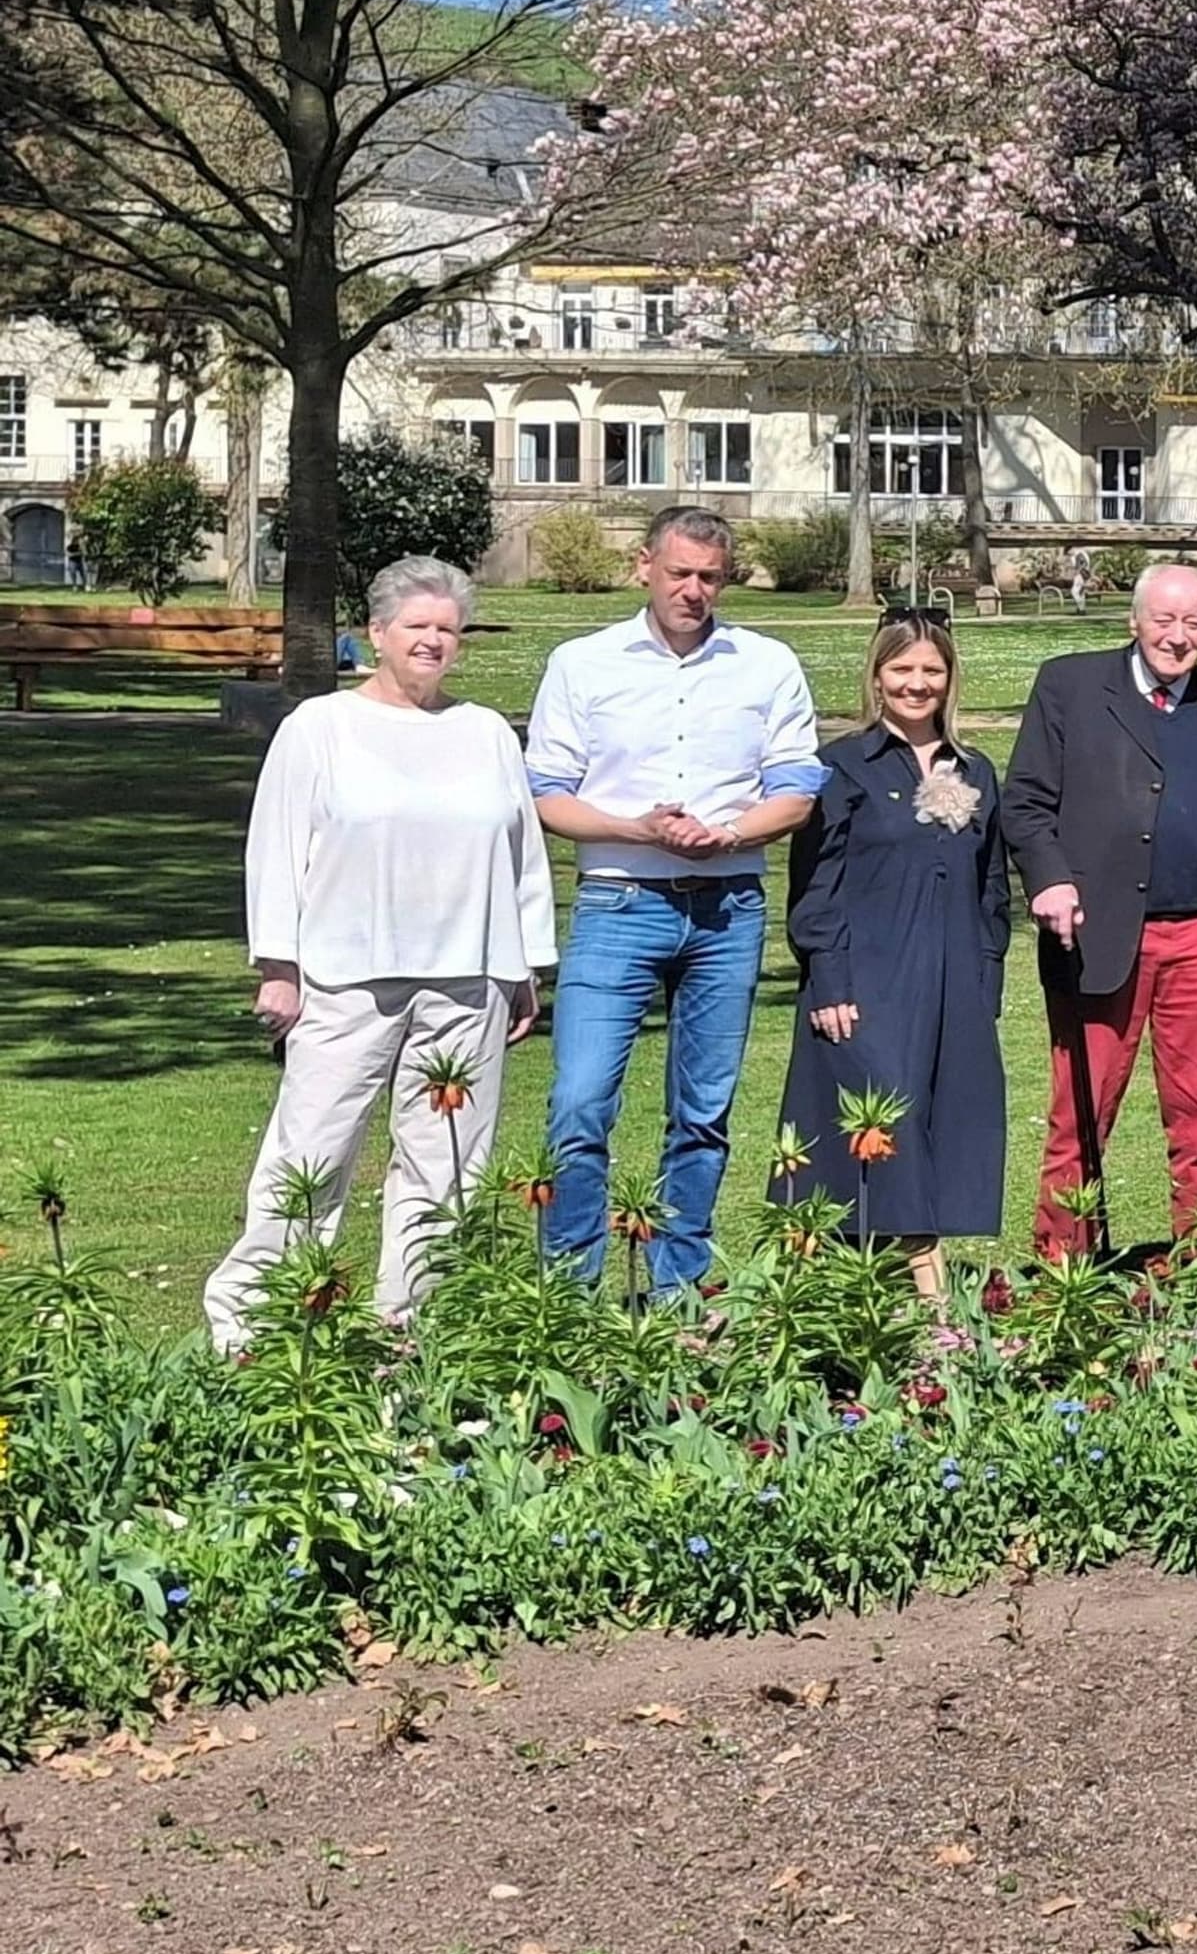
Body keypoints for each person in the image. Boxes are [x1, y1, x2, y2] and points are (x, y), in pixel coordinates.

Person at [206, 558, 552, 1346]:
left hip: (467, 980)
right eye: (416, 628)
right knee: (312, 1150)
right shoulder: (320, 726)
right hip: (345, 978)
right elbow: (277, 848)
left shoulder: (486, 732)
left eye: (446, 630)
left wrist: (525, 965)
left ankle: (413, 1328)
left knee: (447, 1164)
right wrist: (279, 968)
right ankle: (256, 1323)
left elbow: (520, 852)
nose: (432, 643)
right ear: (378, 635)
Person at [526, 505, 823, 1298]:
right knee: (581, 1101)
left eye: (710, 578)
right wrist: (635, 828)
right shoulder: (582, 663)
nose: (694, 590)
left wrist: (727, 835)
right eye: (680, 573)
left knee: (702, 1112)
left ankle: (677, 1289)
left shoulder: (765, 664)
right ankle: (569, 1287)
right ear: (643, 566)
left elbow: (797, 787)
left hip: (727, 908)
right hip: (619, 903)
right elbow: (548, 792)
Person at [1004, 561, 1197, 1257]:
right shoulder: (1071, 686)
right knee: (1081, 1117)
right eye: (1164, 619)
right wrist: (1050, 879)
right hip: (1101, 935)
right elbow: (1025, 803)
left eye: (1194, 622)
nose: (1177, 637)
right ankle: (1064, 1271)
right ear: (1134, 619)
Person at [773, 611, 1011, 1299]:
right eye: (902, 669)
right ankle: (924, 1300)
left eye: (931, 670)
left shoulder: (976, 770)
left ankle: (872, 1293)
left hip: (953, 982)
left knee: (941, 1123)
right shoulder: (843, 767)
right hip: (867, 981)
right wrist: (828, 979)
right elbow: (816, 883)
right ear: (877, 677)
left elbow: (992, 884)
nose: (917, 684)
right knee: (881, 1121)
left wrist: (984, 980)